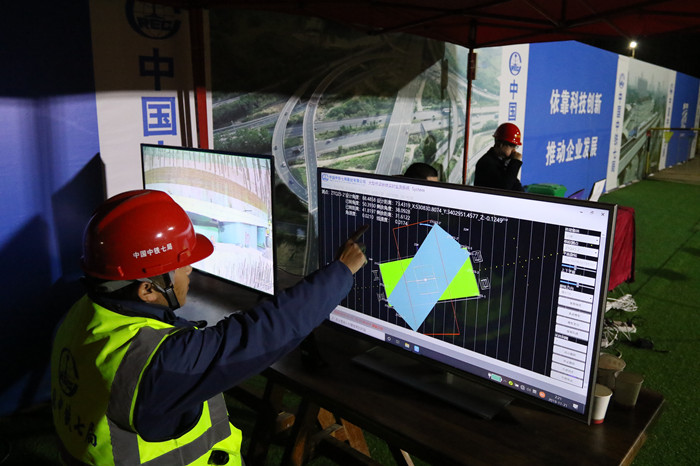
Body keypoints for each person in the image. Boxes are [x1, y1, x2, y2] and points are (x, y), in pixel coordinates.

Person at [50, 189, 367, 466]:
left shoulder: (82, 314)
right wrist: (341, 272)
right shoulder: (161, 364)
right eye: (179, 265)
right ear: (147, 290)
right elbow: (263, 334)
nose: (189, 269)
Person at [474, 122, 524, 191]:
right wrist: (515, 162)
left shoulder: (500, 161)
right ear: (500, 144)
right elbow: (504, 188)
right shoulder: (486, 163)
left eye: (515, 146)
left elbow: (517, 187)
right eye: (512, 146)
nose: (514, 150)